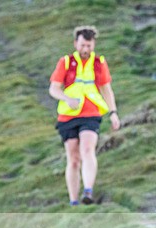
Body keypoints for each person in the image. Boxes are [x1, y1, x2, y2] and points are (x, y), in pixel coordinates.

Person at [49, 25, 120, 205]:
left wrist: (113, 113)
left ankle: (88, 190)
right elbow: (53, 89)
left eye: (89, 45)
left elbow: (106, 89)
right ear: (75, 44)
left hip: (91, 114)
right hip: (68, 116)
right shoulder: (66, 62)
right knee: (73, 159)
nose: (85, 49)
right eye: (82, 45)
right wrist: (67, 99)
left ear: (93, 44)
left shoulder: (99, 63)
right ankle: (74, 201)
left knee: (87, 149)